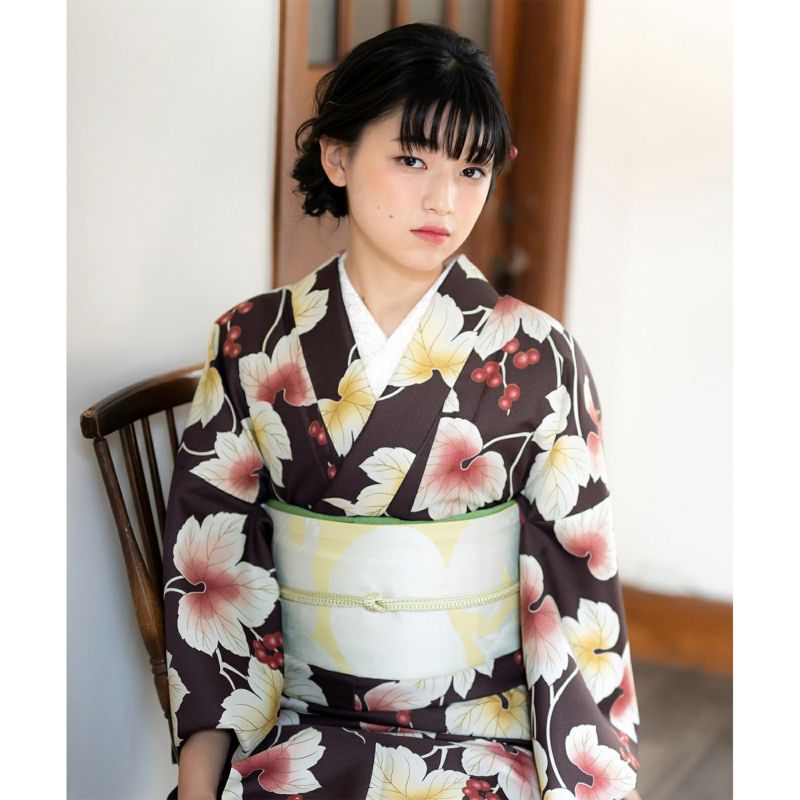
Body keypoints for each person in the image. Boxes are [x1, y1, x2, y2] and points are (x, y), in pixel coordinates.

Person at [163, 22, 642, 800]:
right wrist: (198, 789)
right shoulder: (250, 342)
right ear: (338, 156)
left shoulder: (541, 356)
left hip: (486, 737)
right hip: (298, 733)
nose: (443, 200)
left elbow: (578, 605)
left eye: (471, 169)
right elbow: (213, 580)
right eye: (412, 159)